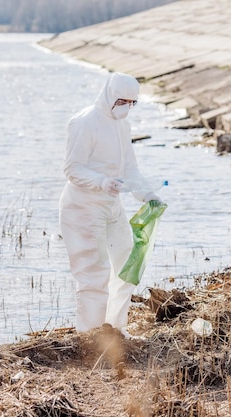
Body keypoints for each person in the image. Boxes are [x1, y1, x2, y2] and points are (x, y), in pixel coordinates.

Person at [59, 72, 162, 335]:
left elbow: (130, 170)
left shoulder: (122, 126)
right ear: (109, 95)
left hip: (112, 205)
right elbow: (73, 168)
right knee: (94, 272)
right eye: (122, 101)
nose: (127, 107)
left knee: (127, 264)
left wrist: (148, 195)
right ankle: (91, 335)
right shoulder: (85, 122)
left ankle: (114, 328)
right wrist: (101, 181)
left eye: (132, 102)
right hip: (83, 206)